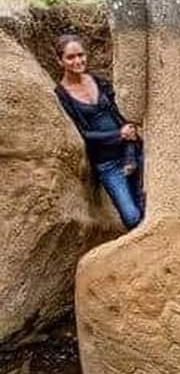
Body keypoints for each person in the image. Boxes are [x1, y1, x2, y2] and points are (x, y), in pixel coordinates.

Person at [54, 34, 144, 230]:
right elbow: (83, 134)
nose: (78, 61)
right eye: (70, 57)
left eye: (81, 55)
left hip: (132, 150)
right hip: (107, 163)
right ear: (60, 61)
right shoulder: (62, 95)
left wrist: (129, 148)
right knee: (131, 217)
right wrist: (118, 134)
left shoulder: (99, 81)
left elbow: (123, 115)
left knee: (147, 207)